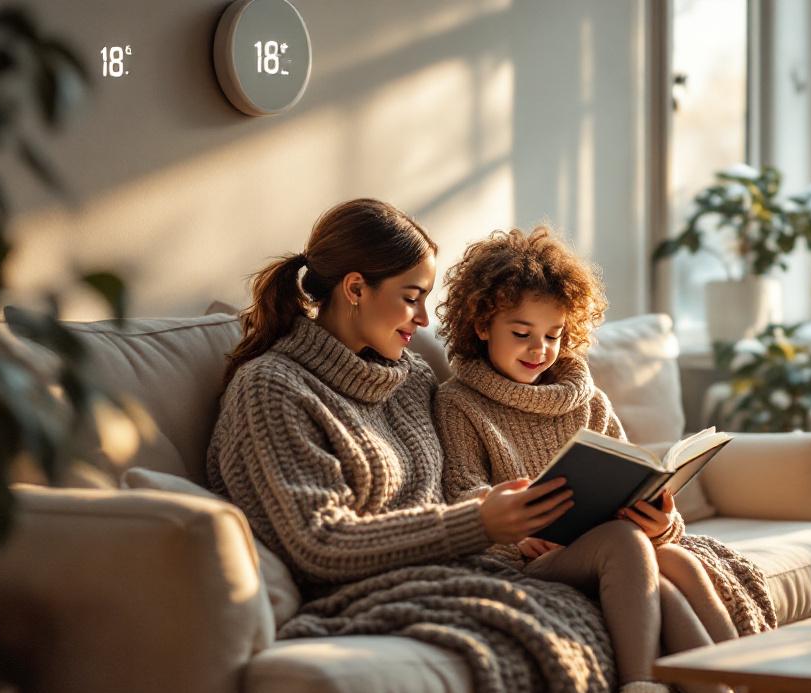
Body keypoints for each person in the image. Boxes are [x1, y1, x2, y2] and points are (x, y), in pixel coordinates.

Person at [434, 226, 804, 693]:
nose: (540, 350)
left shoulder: (590, 402)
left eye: (554, 334)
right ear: (481, 324)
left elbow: (636, 480)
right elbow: (465, 499)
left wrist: (661, 522)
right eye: (521, 333)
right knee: (628, 545)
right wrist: (516, 529)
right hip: (526, 566)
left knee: (673, 558)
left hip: (613, 549)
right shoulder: (457, 403)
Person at [206, 199, 575, 590]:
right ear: (355, 289)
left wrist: (514, 526)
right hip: (375, 594)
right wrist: (480, 523)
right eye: (412, 296)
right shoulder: (271, 387)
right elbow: (320, 544)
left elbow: (447, 497)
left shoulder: (414, 378)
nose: (424, 318)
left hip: (461, 575)